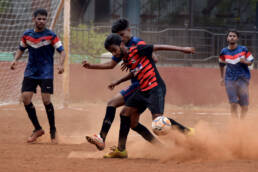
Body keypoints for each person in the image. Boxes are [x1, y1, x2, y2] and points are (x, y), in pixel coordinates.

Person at [103, 33, 195, 158]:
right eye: (111, 52)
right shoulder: (126, 58)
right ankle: (121, 150)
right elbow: (135, 71)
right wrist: (118, 81)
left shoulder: (138, 49)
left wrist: (182, 49)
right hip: (143, 89)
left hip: (155, 87)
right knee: (125, 114)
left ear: (121, 44)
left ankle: (188, 132)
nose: (114, 54)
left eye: (114, 50)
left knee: (158, 125)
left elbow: (158, 47)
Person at [84, 18, 160, 150]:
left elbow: (153, 57)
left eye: (121, 35)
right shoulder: (120, 47)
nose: (120, 38)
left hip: (142, 85)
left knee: (115, 106)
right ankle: (159, 146)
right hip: (136, 84)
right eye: (117, 36)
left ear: (129, 31)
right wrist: (91, 66)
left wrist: (137, 56)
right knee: (133, 123)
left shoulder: (136, 43)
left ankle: (104, 139)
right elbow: (111, 64)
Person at [10, 8, 65, 143]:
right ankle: (38, 129)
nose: (42, 21)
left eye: (44, 19)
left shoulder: (51, 35)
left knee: (46, 100)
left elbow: (62, 52)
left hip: (46, 72)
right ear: (34, 19)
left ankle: (53, 130)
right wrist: (15, 60)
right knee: (25, 98)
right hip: (31, 71)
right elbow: (21, 49)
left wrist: (61, 64)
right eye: (39, 18)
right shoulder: (27, 35)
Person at [219, 30, 254, 119]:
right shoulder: (223, 51)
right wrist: (222, 78)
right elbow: (221, 64)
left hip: (243, 79)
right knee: (233, 103)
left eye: (234, 36)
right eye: (230, 36)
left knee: (244, 106)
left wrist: (245, 61)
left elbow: (251, 62)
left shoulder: (243, 49)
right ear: (227, 38)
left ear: (237, 38)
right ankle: (235, 123)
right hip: (229, 79)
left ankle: (242, 122)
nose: (232, 37)